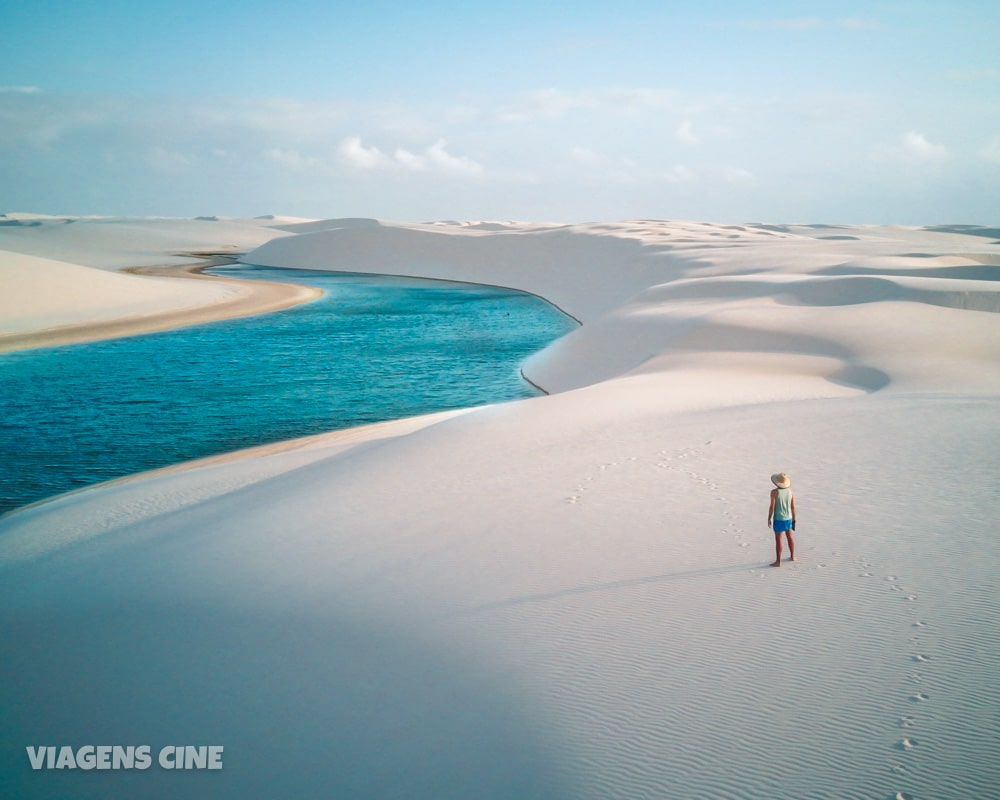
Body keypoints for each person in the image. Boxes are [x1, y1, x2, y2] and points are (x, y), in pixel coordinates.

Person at [767, 472, 796, 567]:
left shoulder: (774, 492)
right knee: (789, 537)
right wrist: (794, 519)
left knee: (778, 539)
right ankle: (792, 556)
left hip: (779, 518)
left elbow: (772, 507)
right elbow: (793, 507)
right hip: (789, 518)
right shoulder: (790, 491)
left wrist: (769, 518)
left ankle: (778, 562)